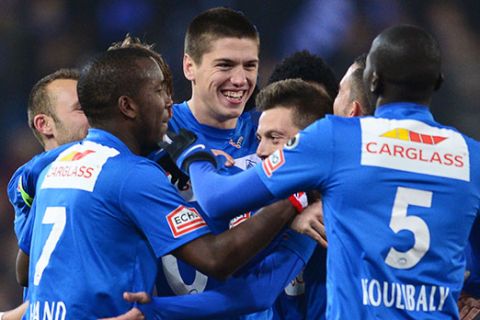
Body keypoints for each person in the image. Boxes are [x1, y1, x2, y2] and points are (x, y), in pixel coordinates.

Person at [173, 25, 480, 319]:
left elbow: (217, 200)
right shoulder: (472, 157)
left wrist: (191, 153)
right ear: (439, 81)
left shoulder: (337, 138)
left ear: (373, 81)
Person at [20, 47, 299, 319]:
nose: (169, 102)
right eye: (158, 90)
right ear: (127, 106)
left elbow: (23, 272)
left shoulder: (56, 166)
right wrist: (293, 198)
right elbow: (216, 259)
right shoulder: (133, 175)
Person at [152, 7, 319, 320]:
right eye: (225, 65)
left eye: (250, 66)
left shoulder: (273, 134)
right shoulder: (156, 131)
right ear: (189, 66)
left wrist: (311, 204)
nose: (240, 80)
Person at [2, 69, 89, 320]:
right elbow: (23, 273)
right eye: (81, 109)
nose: (95, 116)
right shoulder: (29, 177)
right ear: (44, 124)